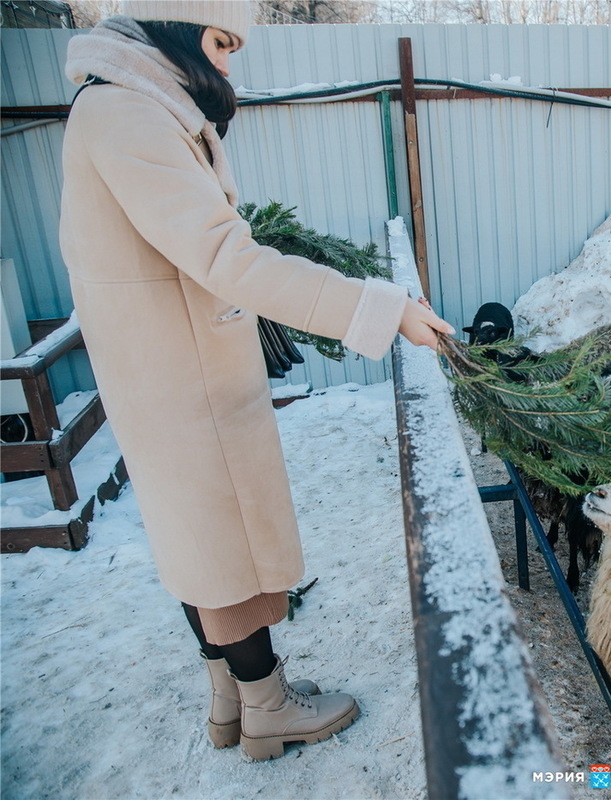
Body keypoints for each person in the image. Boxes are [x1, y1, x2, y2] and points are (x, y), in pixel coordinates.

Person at [58, 1, 453, 761]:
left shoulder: (121, 106)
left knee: (198, 545)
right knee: (222, 550)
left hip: (165, 368)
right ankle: (267, 709)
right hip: (184, 379)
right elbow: (227, 259)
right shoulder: (128, 117)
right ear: (177, 27)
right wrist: (385, 307)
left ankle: (230, 701)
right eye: (222, 42)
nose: (231, 63)